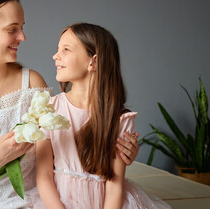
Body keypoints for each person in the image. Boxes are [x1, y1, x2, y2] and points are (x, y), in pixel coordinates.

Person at [0, 0, 139, 209]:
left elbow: (64, 141)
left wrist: (118, 151)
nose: (22, 37)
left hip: (23, 203)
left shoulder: (33, 84)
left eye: (22, 28)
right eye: (12, 29)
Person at [35, 23, 171, 209]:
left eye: (66, 49)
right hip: (57, 202)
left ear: (94, 61)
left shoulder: (119, 119)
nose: (55, 56)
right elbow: (43, 175)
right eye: (58, 49)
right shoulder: (49, 109)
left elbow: (115, 185)